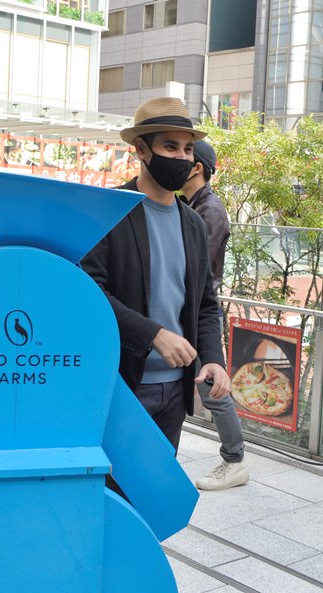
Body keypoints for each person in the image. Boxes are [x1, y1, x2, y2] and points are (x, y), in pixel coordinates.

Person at [81, 97, 230, 451]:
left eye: (188, 149)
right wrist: (154, 335)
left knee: (159, 484)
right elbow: (89, 291)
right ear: (141, 149)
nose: (182, 157)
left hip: (176, 392)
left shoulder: (193, 223)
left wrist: (213, 358)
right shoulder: (108, 211)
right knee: (112, 483)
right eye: (170, 146)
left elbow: (206, 304)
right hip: (120, 385)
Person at [179, 140, 249, 490]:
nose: (178, 160)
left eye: (185, 155)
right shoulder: (189, 203)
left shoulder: (211, 210)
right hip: (185, 309)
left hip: (197, 312)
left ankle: (235, 461)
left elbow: (196, 267)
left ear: (197, 168)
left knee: (212, 389)